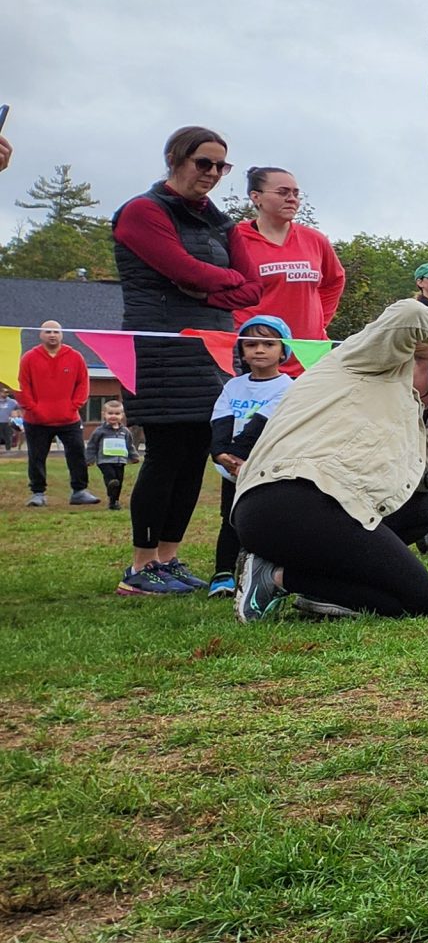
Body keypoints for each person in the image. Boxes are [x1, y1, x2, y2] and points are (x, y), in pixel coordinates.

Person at [231, 300, 428, 623]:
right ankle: (275, 577)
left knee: (426, 504)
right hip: (288, 498)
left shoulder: (408, 406)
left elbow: (424, 480)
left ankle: (320, 588)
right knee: (418, 599)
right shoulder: (358, 360)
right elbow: (409, 314)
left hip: (324, 509)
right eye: (425, 360)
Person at [113, 126, 258, 595]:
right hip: (160, 347)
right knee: (166, 452)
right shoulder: (142, 212)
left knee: (197, 451)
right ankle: (141, 566)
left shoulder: (221, 223)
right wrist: (217, 280)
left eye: (221, 166)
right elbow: (181, 268)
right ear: (175, 158)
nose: (213, 173)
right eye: (204, 163)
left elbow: (253, 288)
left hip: (211, 348)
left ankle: (169, 557)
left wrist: (204, 289)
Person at [206, 317, 296, 596]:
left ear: (283, 351)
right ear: (242, 352)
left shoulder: (289, 387)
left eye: (269, 344)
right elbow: (221, 419)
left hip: (267, 469)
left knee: (267, 519)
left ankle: (268, 571)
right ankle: (223, 573)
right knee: (230, 519)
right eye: (251, 344)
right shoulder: (233, 386)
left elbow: (262, 423)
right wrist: (221, 454)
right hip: (232, 469)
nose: (259, 350)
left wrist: (238, 456)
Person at [227, 167, 345, 338]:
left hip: (308, 347)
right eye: (282, 192)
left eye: (296, 194)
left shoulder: (315, 239)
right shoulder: (234, 239)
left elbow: (334, 281)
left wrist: (320, 322)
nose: (291, 199)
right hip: (257, 347)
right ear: (256, 196)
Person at [18, 321, 98, 506]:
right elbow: (22, 386)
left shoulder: (75, 357)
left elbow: (83, 384)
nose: (52, 335)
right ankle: (38, 493)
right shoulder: (29, 358)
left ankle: (79, 491)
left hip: (69, 419)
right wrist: (33, 408)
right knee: (36, 457)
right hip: (36, 420)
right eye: (48, 331)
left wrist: (73, 406)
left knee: (77, 454)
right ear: (40, 334)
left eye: (56, 331)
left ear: (62, 334)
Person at [86, 400, 141, 512]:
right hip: (105, 461)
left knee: (118, 482)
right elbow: (92, 445)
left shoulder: (125, 431)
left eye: (117, 413)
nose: (113, 416)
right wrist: (89, 459)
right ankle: (110, 488)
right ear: (104, 415)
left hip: (120, 461)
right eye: (110, 413)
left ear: (122, 415)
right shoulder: (100, 431)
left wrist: (134, 456)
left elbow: (129, 445)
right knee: (111, 478)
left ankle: (114, 502)